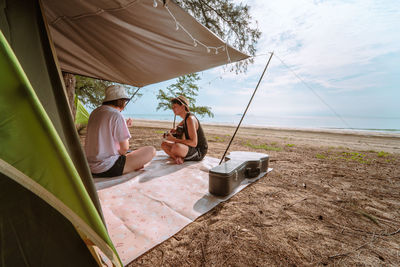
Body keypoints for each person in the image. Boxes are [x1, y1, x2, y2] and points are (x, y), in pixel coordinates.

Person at [85, 85, 156, 177]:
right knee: (151, 150)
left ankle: (131, 164)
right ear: (121, 101)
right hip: (107, 168)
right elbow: (124, 149)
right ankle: (131, 166)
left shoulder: (94, 112)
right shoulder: (116, 115)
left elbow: (103, 134)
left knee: (132, 153)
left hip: (90, 166)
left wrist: (125, 126)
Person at [161, 96, 208, 164]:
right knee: (164, 144)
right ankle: (177, 158)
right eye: (172, 107)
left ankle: (180, 157)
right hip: (190, 148)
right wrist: (173, 132)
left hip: (199, 151)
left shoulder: (190, 119)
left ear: (183, 107)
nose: (172, 109)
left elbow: (194, 143)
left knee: (176, 147)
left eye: (175, 107)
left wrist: (173, 139)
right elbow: (177, 129)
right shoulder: (185, 119)